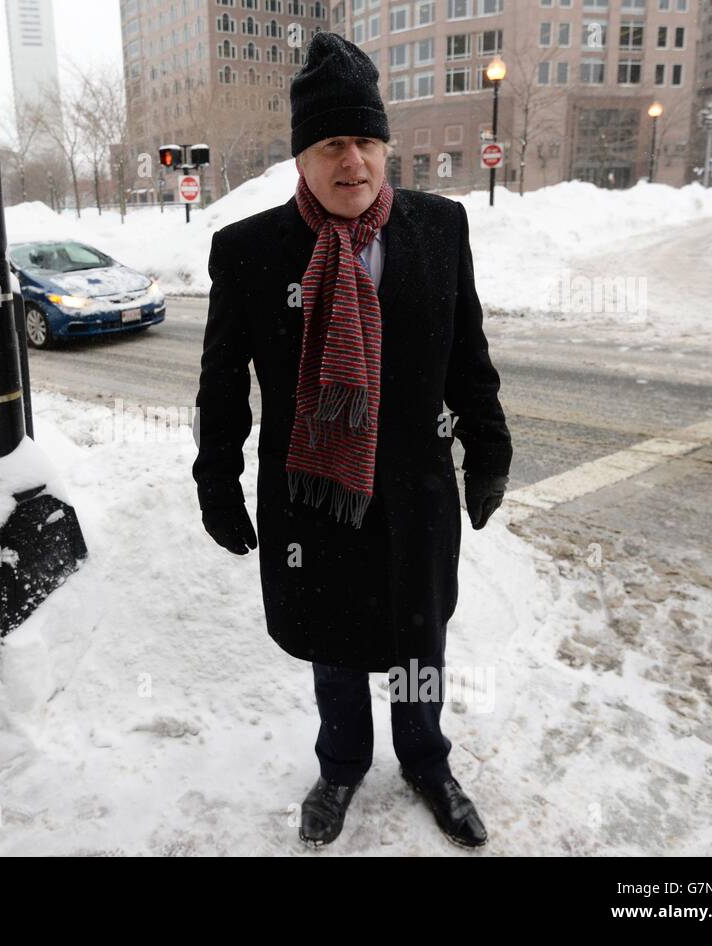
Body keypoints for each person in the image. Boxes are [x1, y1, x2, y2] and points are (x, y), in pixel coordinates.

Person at [192, 31, 513, 849]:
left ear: (385, 146)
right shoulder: (249, 250)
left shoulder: (439, 231)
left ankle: (426, 761)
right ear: (302, 156)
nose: (354, 162)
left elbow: (468, 357)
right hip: (313, 495)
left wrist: (489, 444)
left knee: (419, 637)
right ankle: (340, 766)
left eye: (366, 141)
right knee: (333, 642)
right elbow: (223, 386)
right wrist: (216, 481)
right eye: (333, 143)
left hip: (414, 491)